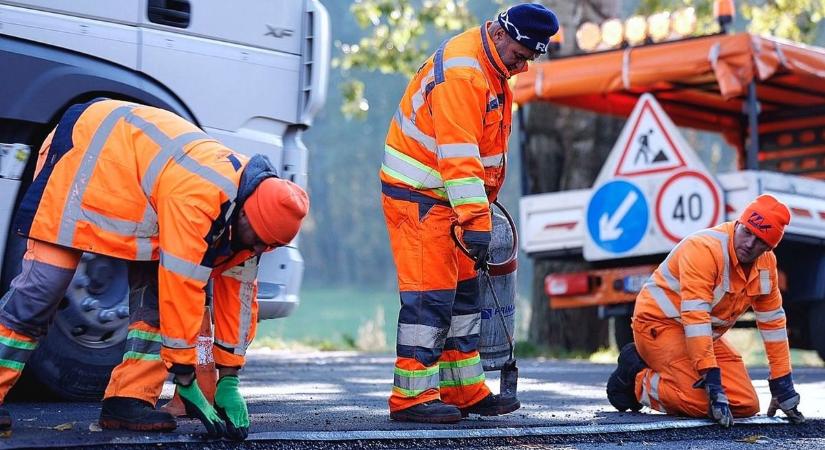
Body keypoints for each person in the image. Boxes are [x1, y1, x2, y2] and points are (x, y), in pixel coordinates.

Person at [0, 99, 309, 440]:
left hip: (135, 185)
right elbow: (182, 286)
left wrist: (230, 377)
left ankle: (128, 401)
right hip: (85, 151)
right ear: (247, 215)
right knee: (42, 288)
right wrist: (185, 375)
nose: (261, 250)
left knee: (155, 298)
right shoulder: (200, 197)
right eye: (260, 241)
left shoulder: (253, 219)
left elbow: (237, 297)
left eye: (268, 246)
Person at [379, 3, 558, 423]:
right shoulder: (465, 74)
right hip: (421, 199)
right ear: (499, 33)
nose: (523, 67)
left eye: (530, 59)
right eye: (520, 55)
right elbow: (458, 157)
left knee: (462, 299)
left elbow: (478, 156)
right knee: (429, 299)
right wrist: (478, 222)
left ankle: (464, 390)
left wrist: (477, 213)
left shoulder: (491, 65)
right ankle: (412, 398)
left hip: (452, 203)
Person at [607, 194, 805, 427]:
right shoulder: (704, 249)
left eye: (761, 241)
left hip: (701, 336)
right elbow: (695, 315)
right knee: (702, 403)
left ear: (770, 247)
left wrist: (782, 384)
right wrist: (711, 378)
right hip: (658, 326)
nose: (750, 243)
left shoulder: (766, 264)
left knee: (746, 405)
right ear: (739, 224)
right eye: (747, 232)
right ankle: (637, 380)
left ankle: (670, 376)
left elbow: (773, 323)